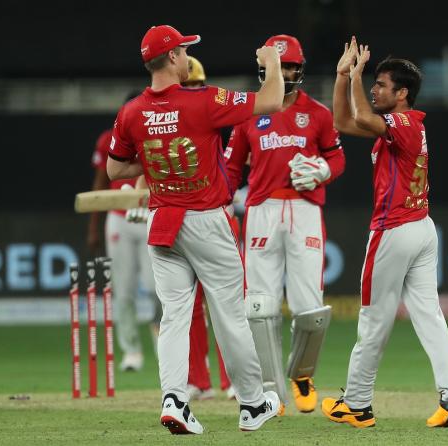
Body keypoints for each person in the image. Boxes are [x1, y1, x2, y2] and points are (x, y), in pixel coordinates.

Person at [106, 24, 284, 434]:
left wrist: (152, 162)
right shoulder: (203, 100)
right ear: (171, 58)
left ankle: (175, 399)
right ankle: (253, 404)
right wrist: (272, 61)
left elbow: (116, 168)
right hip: (205, 220)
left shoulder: (131, 111)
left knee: (174, 317)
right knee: (230, 316)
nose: (188, 58)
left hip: (163, 223)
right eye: (184, 51)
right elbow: (272, 99)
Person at [320, 37, 448, 428]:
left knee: (373, 318)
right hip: (422, 227)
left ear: (402, 94)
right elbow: (342, 122)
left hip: (394, 230)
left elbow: (363, 117)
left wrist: (355, 73)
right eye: (375, 82)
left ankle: (357, 403)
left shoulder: (399, 122)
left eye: (382, 84)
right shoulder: (404, 126)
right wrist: (341, 76)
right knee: (430, 317)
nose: (374, 88)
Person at [225, 34, 345, 415]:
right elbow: (230, 168)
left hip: (306, 210)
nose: (286, 72)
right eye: (279, 66)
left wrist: (324, 170)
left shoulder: (320, 114)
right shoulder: (248, 113)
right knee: (260, 305)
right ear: (264, 69)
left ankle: (303, 375)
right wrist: (217, 201)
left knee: (309, 305)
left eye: (291, 66)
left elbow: (337, 158)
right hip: (261, 210)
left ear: (300, 69)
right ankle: (269, 390)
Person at [87, 91, 158, 373]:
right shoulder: (109, 140)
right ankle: (131, 352)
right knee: (124, 290)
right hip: (118, 218)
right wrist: (94, 227)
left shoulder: (157, 136)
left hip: (150, 214)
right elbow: (100, 182)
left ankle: (163, 347)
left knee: (157, 289)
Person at [180, 55, 234, 401]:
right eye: (189, 87)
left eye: (199, 86)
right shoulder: (167, 120)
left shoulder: (214, 115)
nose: (195, 92)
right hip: (182, 215)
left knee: (225, 301)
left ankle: (232, 381)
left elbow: (234, 162)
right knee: (189, 303)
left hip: (217, 212)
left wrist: (234, 195)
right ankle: (198, 380)